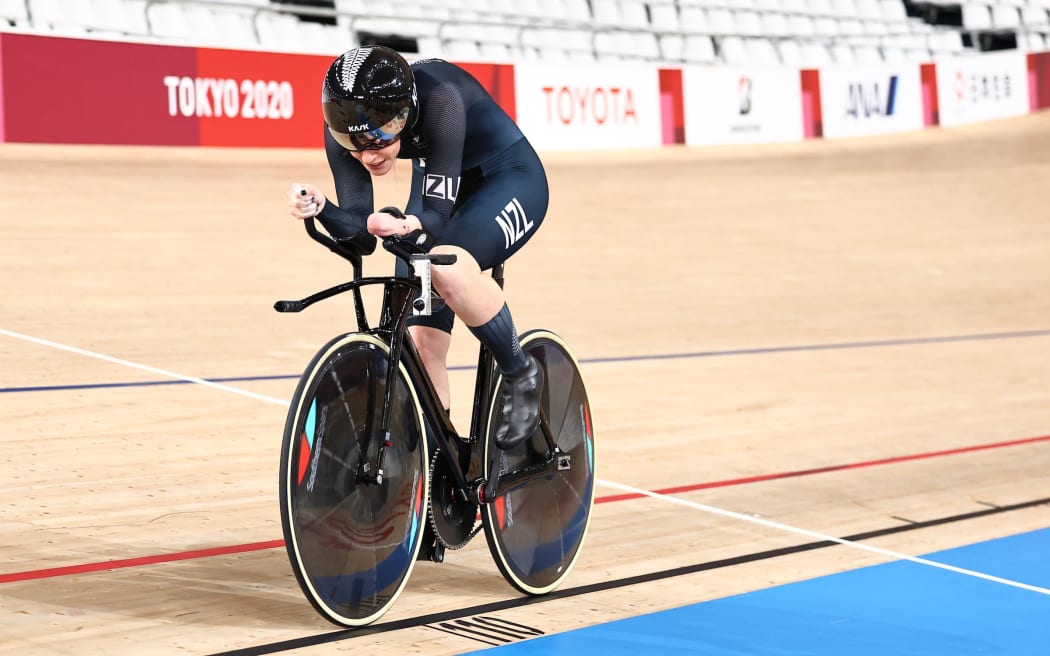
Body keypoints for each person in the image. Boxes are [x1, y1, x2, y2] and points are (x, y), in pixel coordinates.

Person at [286, 45, 546, 451]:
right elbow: (361, 235)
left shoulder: (439, 98)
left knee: (448, 267)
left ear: (404, 114)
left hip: (506, 179)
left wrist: (407, 225)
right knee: (422, 341)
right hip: (439, 184)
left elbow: (438, 220)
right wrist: (322, 208)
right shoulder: (345, 126)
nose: (367, 154)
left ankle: (520, 370)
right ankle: (438, 466)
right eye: (355, 146)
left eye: (379, 139)